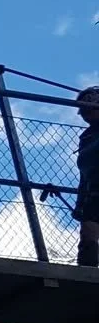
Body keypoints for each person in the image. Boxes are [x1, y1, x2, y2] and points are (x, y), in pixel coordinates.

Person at [75, 86, 99, 267]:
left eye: (88, 108)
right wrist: (80, 203)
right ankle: (87, 271)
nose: (85, 113)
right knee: (88, 234)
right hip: (93, 193)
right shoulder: (87, 137)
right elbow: (84, 176)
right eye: (82, 110)